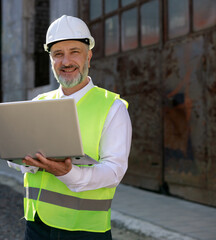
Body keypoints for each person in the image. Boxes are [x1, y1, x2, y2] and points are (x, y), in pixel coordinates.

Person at [8, 15, 132, 240]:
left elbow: (114, 171)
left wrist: (69, 173)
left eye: (74, 51)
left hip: (84, 230)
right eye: (58, 54)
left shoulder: (112, 107)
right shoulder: (38, 103)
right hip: (36, 225)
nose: (66, 62)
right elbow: (17, 160)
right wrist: (22, 160)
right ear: (51, 60)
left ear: (89, 56)